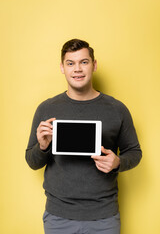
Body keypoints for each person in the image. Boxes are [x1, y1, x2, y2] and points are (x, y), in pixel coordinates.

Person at [25, 39, 142, 234]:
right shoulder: (46, 109)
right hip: (58, 217)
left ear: (94, 65)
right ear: (62, 68)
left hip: (104, 217)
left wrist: (118, 163)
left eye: (84, 62)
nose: (77, 69)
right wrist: (43, 146)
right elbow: (32, 161)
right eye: (70, 63)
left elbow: (134, 152)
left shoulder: (117, 109)